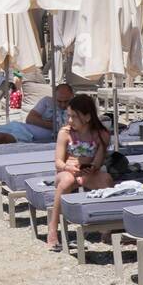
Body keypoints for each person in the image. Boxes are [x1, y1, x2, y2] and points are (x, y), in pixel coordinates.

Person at [46, 94, 113, 253]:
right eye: (68, 116)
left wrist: (92, 167)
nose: (70, 120)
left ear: (88, 117)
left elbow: (98, 161)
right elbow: (58, 162)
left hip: (87, 173)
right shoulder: (65, 133)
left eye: (74, 116)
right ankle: (53, 229)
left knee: (107, 180)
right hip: (66, 171)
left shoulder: (101, 134)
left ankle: (107, 229)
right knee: (67, 181)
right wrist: (68, 167)